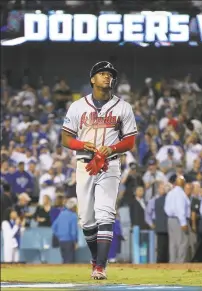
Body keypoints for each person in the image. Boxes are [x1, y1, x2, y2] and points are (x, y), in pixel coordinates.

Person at [61, 61, 137, 279]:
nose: (107, 77)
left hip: (110, 162)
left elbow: (130, 141)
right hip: (85, 163)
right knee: (86, 218)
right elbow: (66, 138)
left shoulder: (123, 107)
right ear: (93, 79)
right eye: (102, 73)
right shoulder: (78, 106)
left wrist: (112, 147)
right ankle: (96, 259)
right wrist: (81, 144)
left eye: (110, 74)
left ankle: (100, 266)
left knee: (106, 212)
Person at [164, 176, 190, 263]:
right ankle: (180, 263)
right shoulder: (180, 194)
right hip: (179, 220)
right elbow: (180, 209)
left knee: (173, 243)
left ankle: (173, 262)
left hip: (170, 220)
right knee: (182, 242)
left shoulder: (170, 193)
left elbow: (166, 208)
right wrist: (183, 223)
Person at [52, 198, 78, 264]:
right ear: (73, 207)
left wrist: (59, 235)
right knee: (70, 261)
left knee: (64, 260)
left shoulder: (61, 214)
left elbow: (54, 227)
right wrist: (75, 242)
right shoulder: (73, 216)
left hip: (61, 241)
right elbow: (73, 231)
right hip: (69, 241)